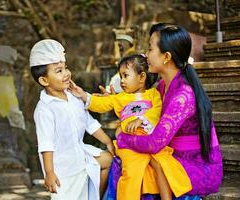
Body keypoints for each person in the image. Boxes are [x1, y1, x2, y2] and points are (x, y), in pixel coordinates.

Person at [114, 23, 223, 199]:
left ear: (166, 56)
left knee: (135, 169)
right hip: (171, 155)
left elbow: (155, 143)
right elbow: (144, 108)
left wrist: (122, 138)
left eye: (150, 49)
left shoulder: (183, 95)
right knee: (128, 164)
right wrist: (117, 101)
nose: (145, 54)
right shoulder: (163, 85)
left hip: (194, 166)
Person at [69, 54, 192, 200]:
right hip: (129, 144)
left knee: (163, 164)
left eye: (125, 75)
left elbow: (157, 111)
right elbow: (100, 104)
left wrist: (142, 120)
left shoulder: (153, 94)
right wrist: (83, 95)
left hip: (150, 139)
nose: (121, 81)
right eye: (121, 76)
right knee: (131, 173)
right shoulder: (120, 97)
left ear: (141, 77)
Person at [29, 39, 115, 200]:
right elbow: (46, 143)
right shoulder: (44, 109)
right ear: (44, 80)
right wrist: (49, 173)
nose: (66, 73)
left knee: (109, 160)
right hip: (63, 170)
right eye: (59, 71)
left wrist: (108, 142)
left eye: (65, 68)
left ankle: (96, 197)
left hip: (82, 157)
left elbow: (89, 122)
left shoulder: (73, 97)